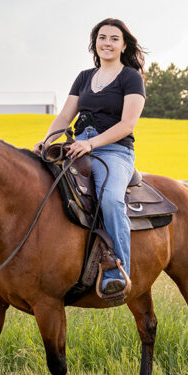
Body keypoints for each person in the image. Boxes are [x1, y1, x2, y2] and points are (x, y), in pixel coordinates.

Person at [34, 18, 147, 295]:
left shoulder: (131, 77)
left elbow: (127, 125)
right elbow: (64, 116)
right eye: (102, 37)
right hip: (77, 147)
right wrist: (48, 140)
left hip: (114, 150)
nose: (107, 43)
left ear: (123, 45)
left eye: (113, 39)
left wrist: (92, 144)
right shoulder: (84, 76)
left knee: (109, 199)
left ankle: (118, 269)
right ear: (94, 43)